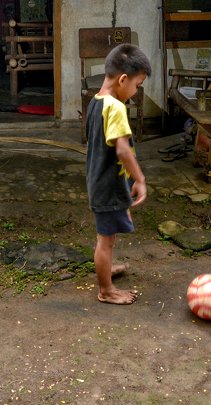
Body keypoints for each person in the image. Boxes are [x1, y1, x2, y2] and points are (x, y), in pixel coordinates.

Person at [85, 43, 152, 305]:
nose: (136, 92)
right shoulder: (115, 107)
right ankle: (106, 290)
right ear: (123, 79)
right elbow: (123, 149)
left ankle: (106, 267)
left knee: (107, 234)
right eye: (137, 85)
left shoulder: (96, 102)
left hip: (101, 180)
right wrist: (140, 179)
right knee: (106, 241)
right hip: (107, 186)